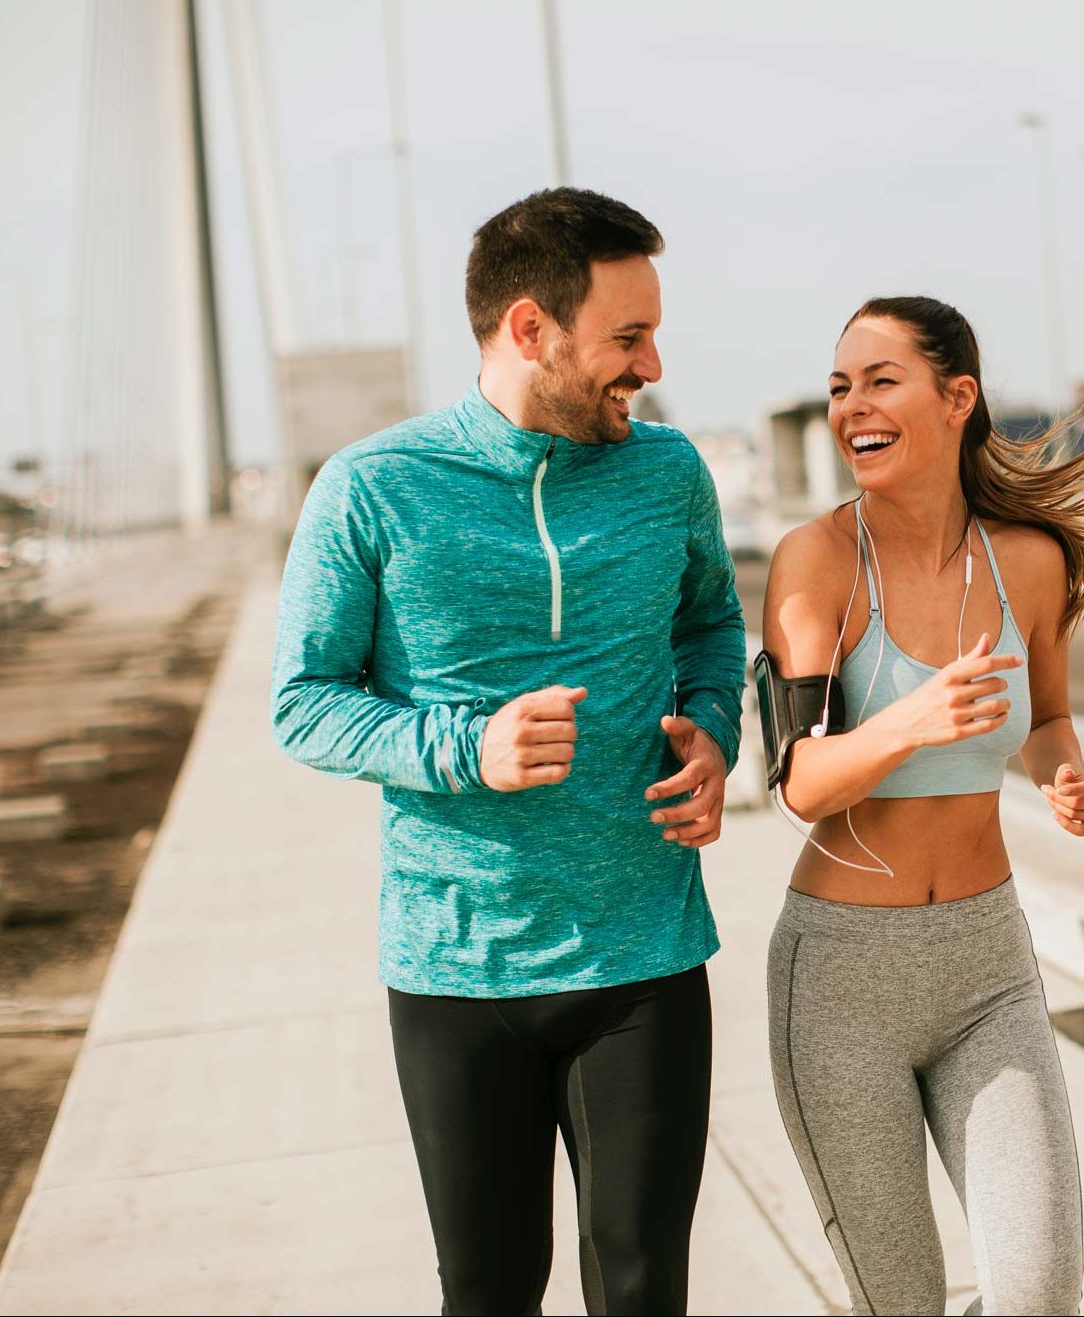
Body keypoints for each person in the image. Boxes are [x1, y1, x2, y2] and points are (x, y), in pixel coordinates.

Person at [270, 188, 745, 1316]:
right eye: (627, 337)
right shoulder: (372, 488)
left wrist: (716, 732)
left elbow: (712, 625)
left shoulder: (667, 472)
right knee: (488, 1293)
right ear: (531, 328)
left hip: (644, 951)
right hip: (456, 966)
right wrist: (461, 747)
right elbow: (301, 703)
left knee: (643, 1289)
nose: (652, 361)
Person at [758, 295, 1084, 1315]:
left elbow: (1047, 720)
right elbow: (799, 783)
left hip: (987, 969)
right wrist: (906, 724)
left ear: (956, 398)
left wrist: (1067, 780)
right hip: (839, 985)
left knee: (1038, 1294)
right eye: (839, 387)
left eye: (881, 381)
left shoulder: (1032, 563)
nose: (852, 408)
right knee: (902, 1304)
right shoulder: (818, 560)